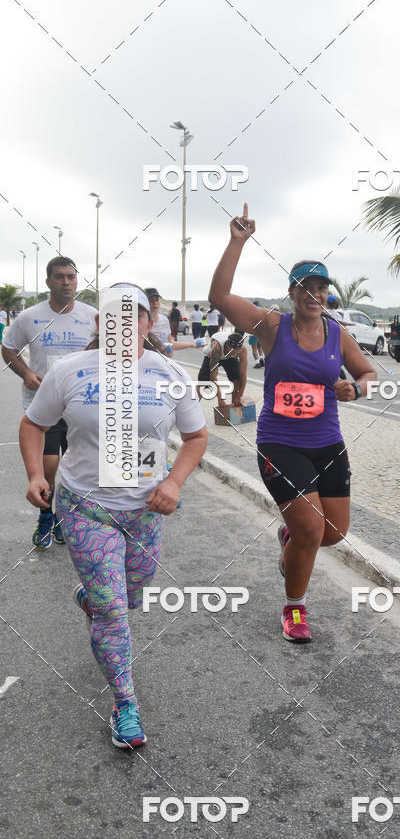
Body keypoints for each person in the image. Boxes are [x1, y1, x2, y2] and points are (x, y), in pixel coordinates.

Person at [19, 284, 207, 749]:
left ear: (148, 322)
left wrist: (173, 482)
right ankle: (125, 703)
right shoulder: (70, 371)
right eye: (114, 317)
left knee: (131, 595)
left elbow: (197, 437)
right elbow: (32, 424)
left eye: (135, 317)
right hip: (87, 507)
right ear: (101, 324)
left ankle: (91, 597)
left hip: (146, 509)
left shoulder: (168, 374)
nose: (124, 325)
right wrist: (33, 474)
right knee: (112, 610)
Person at [209, 205, 376, 643]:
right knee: (311, 528)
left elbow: (368, 374)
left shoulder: (337, 334)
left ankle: (291, 539)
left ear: (328, 295)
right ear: (292, 291)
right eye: (306, 286)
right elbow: (220, 299)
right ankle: (295, 608)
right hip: (280, 444)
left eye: (321, 288)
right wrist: (238, 241)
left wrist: (356, 389)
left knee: (335, 532)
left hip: (328, 442)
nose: (314, 294)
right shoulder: (271, 325)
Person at [2, 257, 97, 548]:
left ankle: (71, 519)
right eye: (60, 277)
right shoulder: (30, 317)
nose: (66, 282)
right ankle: (46, 515)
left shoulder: (92, 316)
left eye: (71, 276)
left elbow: (103, 352)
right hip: (43, 404)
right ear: (48, 282)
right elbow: (8, 348)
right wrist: (27, 372)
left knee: (82, 466)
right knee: (49, 465)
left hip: (82, 406)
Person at [144, 289, 206, 356]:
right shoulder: (140, 322)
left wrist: (192, 344)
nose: (155, 303)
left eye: (157, 299)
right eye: (151, 300)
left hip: (163, 361)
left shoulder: (164, 320)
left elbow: (170, 343)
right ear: (145, 302)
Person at [198, 330, 247, 407]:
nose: (235, 353)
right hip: (212, 355)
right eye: (233, 351)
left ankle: (234, 407)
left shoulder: (242, 350)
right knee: (203, 383)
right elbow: (213, 376)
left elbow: (243, 375)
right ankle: (193, 406)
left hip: (228, 357)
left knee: (237, 378)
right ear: (228, 346)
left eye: (237, 352)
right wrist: (220, 399)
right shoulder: (216, 348)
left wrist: (239, 396)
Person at [249, 301, 265, 368]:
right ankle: (261, 357)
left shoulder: (251, 313)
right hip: (261, 333)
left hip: (253, 333)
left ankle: (257, 362)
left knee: (254, 348)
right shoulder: (261, 313)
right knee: (260, 347)